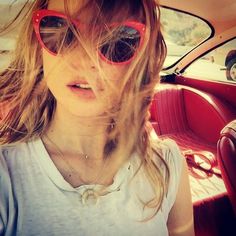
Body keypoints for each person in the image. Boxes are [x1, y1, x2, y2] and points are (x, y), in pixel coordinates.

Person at [0, 0, 194, 235]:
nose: (85, 60)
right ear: (37, 46)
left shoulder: (168, 167)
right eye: (60, 31)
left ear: (141, 59)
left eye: (118, 41)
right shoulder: (6, 178)